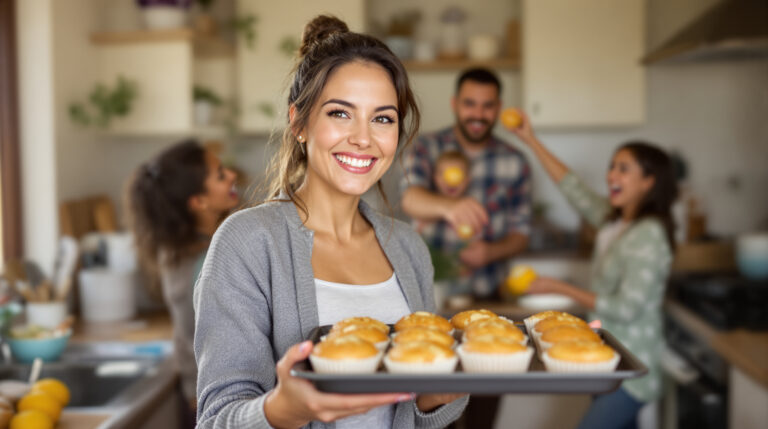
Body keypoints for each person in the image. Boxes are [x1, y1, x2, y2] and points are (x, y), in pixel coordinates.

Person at [193, 15, 468, 429]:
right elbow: (217, 419)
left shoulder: (409, 248)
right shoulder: (246, 244)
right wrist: (285, 408)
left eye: (383, 118)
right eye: (341, 114)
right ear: (299, 123)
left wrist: (438, 395)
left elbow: (418, 415)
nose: (363, 138)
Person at [509, 111, 678, 429]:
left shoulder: (649, 234)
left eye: (623, 169)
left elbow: (626, 308)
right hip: (606, 358)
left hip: (633, 368)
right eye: (612, 166)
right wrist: (530, 138)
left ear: (648, 181)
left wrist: (559, 287)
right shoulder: (615, 220)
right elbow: (572, 187)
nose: (612, 175)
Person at [125, 139, 239, 426]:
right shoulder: (206, 260)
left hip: (198, 392)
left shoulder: (178, 249)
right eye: (220, 174)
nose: (232, 175)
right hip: (214, 399)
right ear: (198, 202)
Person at [400, 68, 531, 299]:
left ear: (499, 108)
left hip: (489, 292)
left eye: (487, 106)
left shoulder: (516, 161)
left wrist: (490, 252)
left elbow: (521, 235)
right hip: (430, 288)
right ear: (455, 104)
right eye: (470, 104)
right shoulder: (426, 147)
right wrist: (450, 206)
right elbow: (410, 199)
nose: (478, 114)